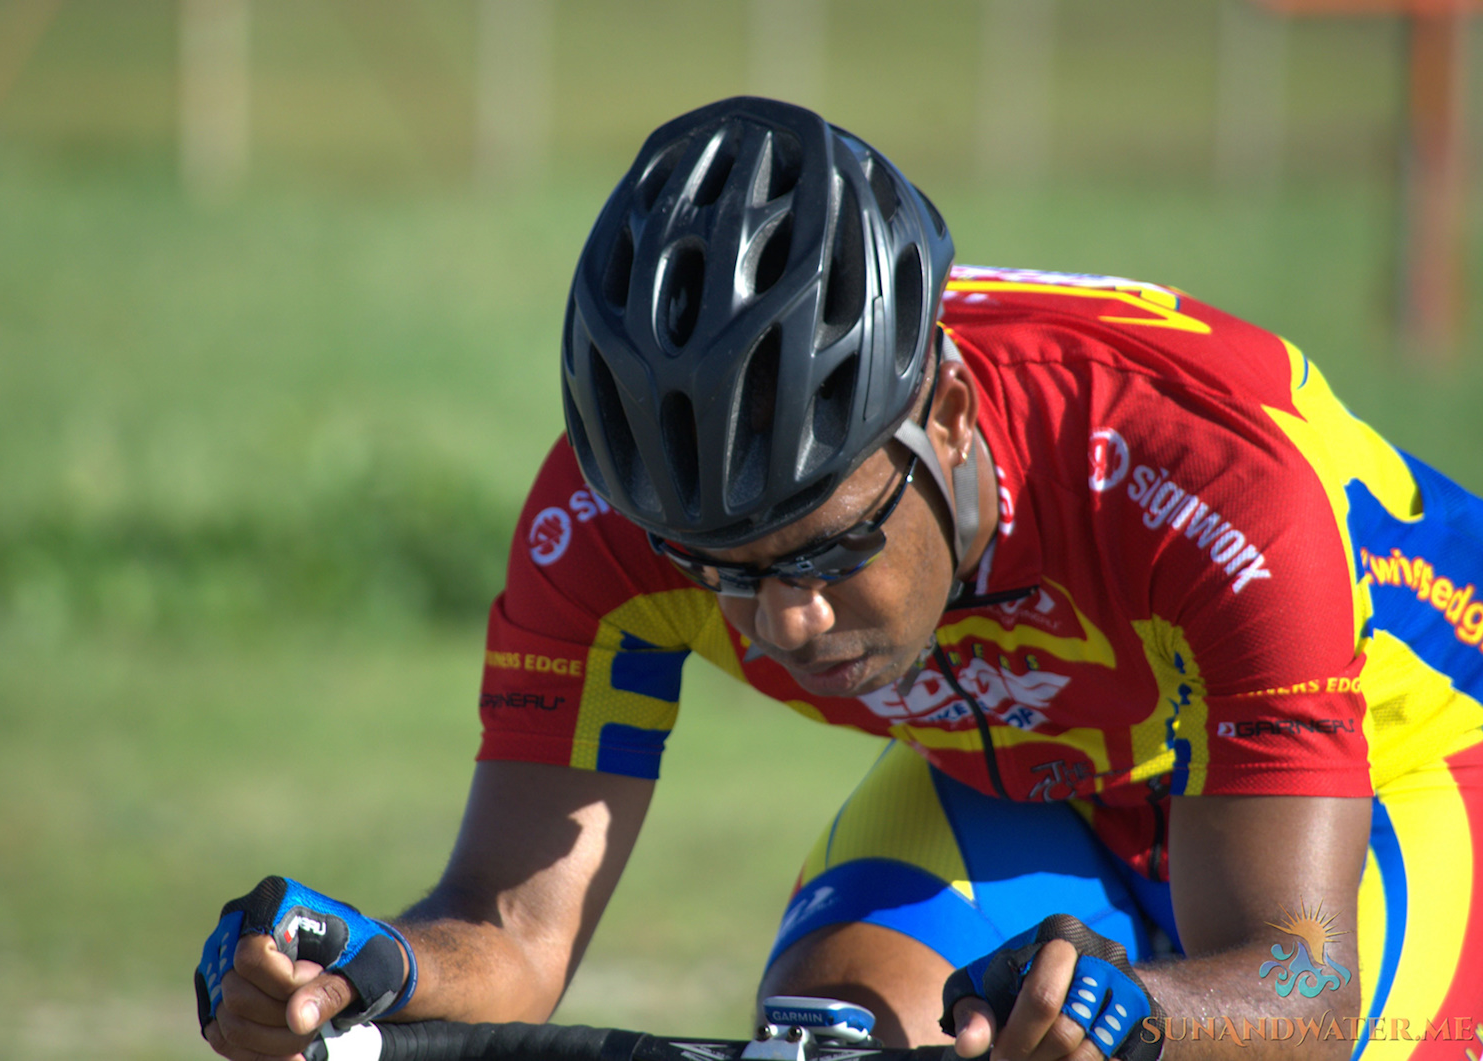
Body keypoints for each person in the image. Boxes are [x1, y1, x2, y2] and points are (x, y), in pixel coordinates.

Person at [196, 97, 1483, 1061]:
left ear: (953, 418)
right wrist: (367, 967)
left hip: (1407, 758)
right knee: (841, 1023)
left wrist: (1135, 1006)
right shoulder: (605, 521)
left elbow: (1302, 984)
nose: (788, 617)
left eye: (827, 546)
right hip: (1051, 768)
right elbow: (514, 938)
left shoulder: (1201, 482)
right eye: (723, 570)